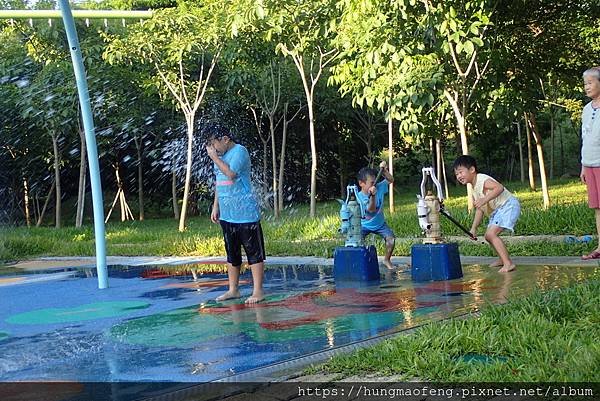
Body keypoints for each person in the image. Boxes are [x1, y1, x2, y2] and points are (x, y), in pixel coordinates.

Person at [205, 123, 265, 304]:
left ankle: (258, 291)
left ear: (225, 139)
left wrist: (215, 158)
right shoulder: (220, 156)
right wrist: (216, 206)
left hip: (245, 213)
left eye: (213, 143)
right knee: (232, 254)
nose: (212, 148)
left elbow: (230, 174)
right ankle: (233, 290)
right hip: (227, 214)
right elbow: (220, 180)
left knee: (253, 252)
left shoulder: (240, 152)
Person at [453, 155, 521, 273]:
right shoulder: (474, 188)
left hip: (508, 205)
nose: (458, 176)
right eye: (456, 174)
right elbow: (480, 209)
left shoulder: (481, 179)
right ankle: (502, 259)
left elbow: (499, 188)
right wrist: (473, 228)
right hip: (500, 209)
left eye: (460, 172)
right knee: (488, 236)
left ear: (472, 170)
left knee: (491, 234)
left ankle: (508, 263)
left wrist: (484, 200)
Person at [355, 161, 396, 270]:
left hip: (380, 224)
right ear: (361, 183)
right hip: (363, 225)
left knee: (391, 239)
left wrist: (384, 171)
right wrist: (372, 196)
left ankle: (386, 259)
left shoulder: (378, 186)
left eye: (375, 182)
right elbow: (371, 209)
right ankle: (362, 263)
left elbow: (390, 180)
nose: (374, 185)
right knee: (357, 242)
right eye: (371, 183)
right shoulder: (358, 198)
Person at [580, 67, 600, 260]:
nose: (587, 87)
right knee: (597, 207)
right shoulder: (586, 109)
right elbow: (584, 138)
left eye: (590, 83)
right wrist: (583, 166)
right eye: (585, 84)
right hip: (590, 164)